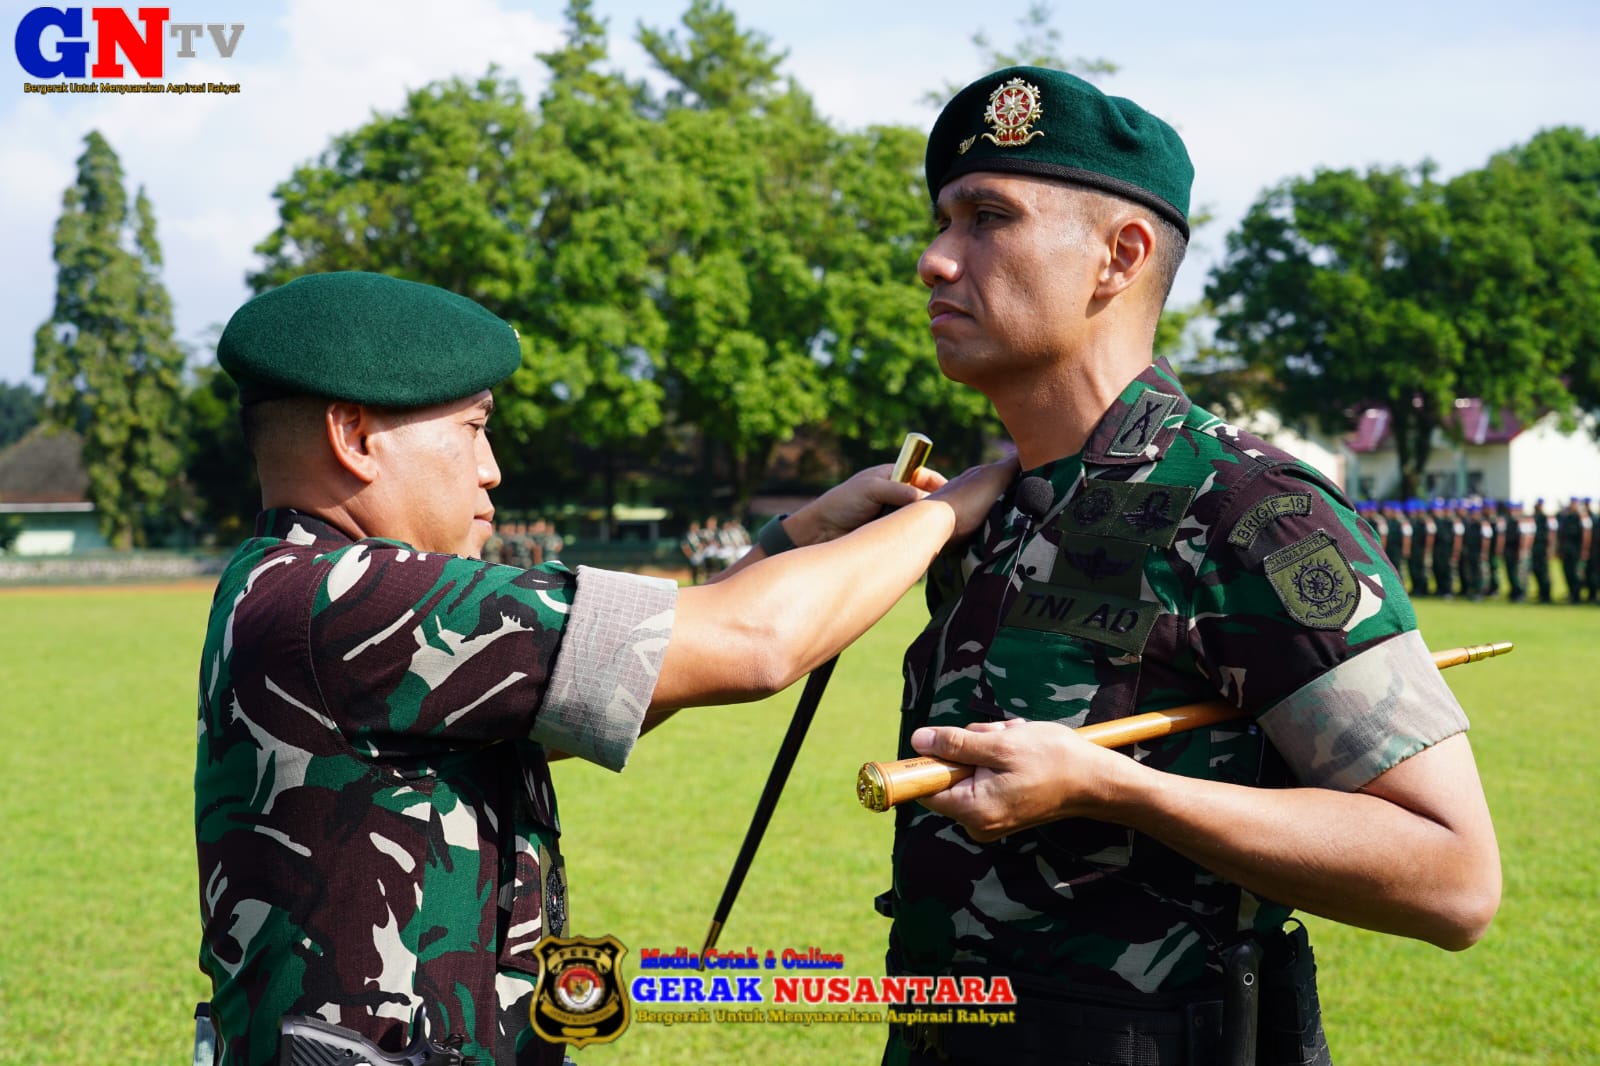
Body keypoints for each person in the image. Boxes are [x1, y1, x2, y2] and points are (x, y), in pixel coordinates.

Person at [193, 271, 1013, 1066]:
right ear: (355, 436)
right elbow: (754, 641)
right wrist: (948, 510)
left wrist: (802, 535)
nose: (491, 468)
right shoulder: (352, 598)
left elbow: (633, 667)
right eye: (474, 428)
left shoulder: (283, 584)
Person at [881, 67, 1500, 1066]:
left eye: (987, 219)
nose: (933, 260)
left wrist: (1118, 789)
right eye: (942, 221)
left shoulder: (1250, 510)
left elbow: (1453, 877)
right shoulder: (993, 510)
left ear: (1118, 257)